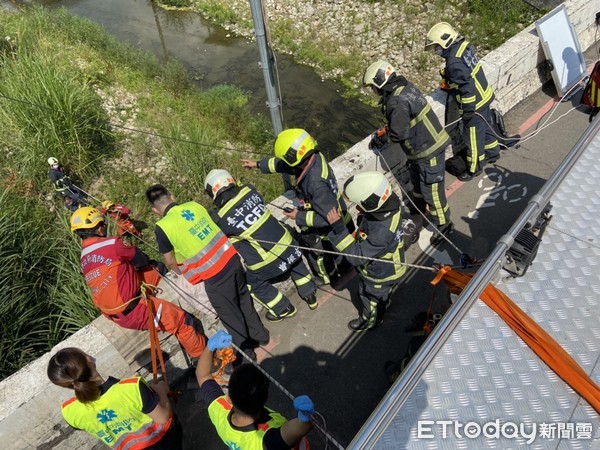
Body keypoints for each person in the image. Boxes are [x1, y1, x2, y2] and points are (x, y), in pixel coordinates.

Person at [145, 184, 270, 363]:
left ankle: (246, 354)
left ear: (155, 210)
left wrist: (185, 273)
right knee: (244, 300)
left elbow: (170, 261)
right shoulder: (194, 206)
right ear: (172, 196)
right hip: (232, 259)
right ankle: (261, 336)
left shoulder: (162, 227)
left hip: (214, 276)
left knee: (229, 315)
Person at [70, 207, 207, 358]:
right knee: (182, 321)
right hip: (134, 310)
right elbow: (141, 259)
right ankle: (205, 361)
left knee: (156, 269)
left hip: (116, 311)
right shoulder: (112, 244)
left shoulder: (83, 258)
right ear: (99, 227)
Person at [241, 128, 355, 287]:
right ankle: (345, 266)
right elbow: (284, 165)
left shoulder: (316, 184)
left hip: (326, 227)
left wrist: (298, 216)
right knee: (338, 253)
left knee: (320, 255)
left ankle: (326, 278)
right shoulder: (313, 156)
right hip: (336, 212)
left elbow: (326, 218)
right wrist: (258, 164)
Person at [204, 169, 318, 322]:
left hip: (267, 260)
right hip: (289, 244)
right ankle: (310, 294)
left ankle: (283, 309)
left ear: (213, 192)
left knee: (253, 284)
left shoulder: (219, 217)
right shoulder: (249, 190)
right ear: (231, 180)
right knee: (295, 261)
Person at [363, 60, 453, 245]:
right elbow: (403, 122)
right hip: (422, 148)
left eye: (372, 87)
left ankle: (444, 225)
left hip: (428, 150)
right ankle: (418, 209)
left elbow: (398, 133)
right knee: (417, 184)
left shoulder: (396, 101)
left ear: (379, 83)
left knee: (432, 191)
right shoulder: (405, 86)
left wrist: (383, 138)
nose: (373, 91)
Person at [196, 331, 313, 449]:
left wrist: (209, 347)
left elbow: (203, 375)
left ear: (229, 399)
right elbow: (305, 426)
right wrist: (305, 416)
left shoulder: (219, 410)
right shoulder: (268, 441)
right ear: (267, 397)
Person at [48, 347, 182, 449]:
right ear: (88, 359)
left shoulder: (70, 411)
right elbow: (162, 417)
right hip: (165, 440)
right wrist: (162, 391)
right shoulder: (131, 387)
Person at [325, 171, 406, 332]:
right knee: (381, 293)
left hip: (380, 273)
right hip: (391, 265)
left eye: (359, 204)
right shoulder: (389, 203)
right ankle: (384, 299)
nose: (356, 207)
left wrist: (339, 228)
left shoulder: (381, 233)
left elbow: (357, 257)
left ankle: (370, 321)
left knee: (370, 298)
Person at [425, 22, 500, 181]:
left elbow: (466, 87)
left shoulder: (453, 62)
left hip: (474, 105)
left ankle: (475, 167)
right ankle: (493, 152)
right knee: (485, 127)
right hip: (484, 95)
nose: (436, 51)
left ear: (444, 42)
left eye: (436, 46)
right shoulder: (464, 47)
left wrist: (467, 110)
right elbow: (467, 74)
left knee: (473, 137)